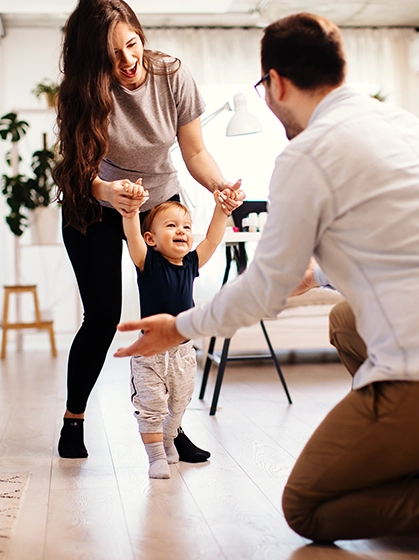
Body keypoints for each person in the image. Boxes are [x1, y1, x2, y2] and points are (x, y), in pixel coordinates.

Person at [113, 12, 419, 559]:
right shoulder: (404, 126)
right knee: (344, 319)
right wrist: (320, 272)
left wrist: (178, 326)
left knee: (306, 506)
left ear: (275, 83)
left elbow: (261, 292)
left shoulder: (304, 156)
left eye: (264, 89)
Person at [53, 0, 243, 461]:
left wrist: (220, 187)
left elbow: (195, 152)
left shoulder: (172, 75)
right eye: (111, 55)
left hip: (158, 199)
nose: (127, 61)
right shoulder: (80, 91)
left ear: (141, 36)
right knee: (101, 315)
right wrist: (106, 191)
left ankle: (172, 429)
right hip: (94, 201)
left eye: (132, 45)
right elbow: (75, 170)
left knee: (172, 312)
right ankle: (73, 422)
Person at [122, 183, 230, 477]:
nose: (181, 231)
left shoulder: (191, 263)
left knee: (179, 405)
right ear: (151, 239)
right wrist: (131, 211)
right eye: (171, 226)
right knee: (152, 406)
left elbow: (212, 239)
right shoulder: (148, 262)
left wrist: (221, 210)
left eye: (186, 226)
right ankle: (155, 456)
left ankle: (169, 441)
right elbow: (132, 235)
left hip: (183, 353)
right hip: (151, 354)